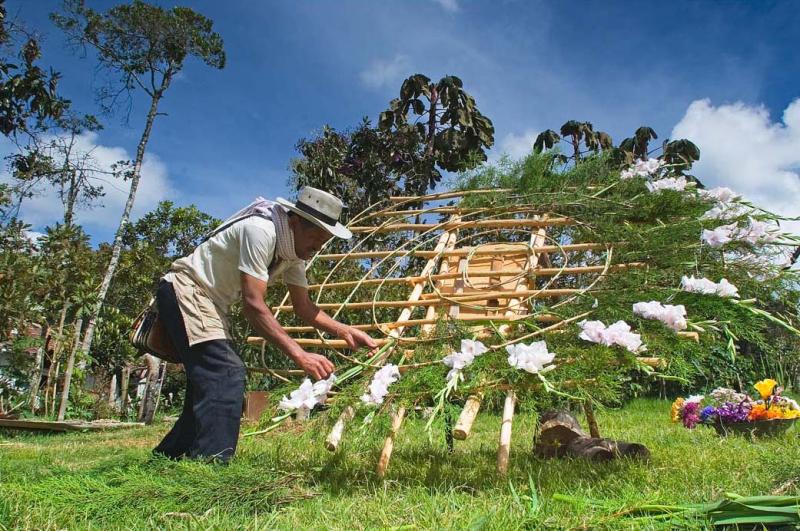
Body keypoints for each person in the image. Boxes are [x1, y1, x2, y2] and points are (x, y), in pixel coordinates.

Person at [152, 186, 377, 462]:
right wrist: (300, 355)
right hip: (188, 289)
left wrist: (345, 331)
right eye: (314, 238)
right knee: (225, 373)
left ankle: (168, 456)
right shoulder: (261, 230)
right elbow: (254, 305)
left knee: (210, 380)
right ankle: (211, 465)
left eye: (322, 243)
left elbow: (303, 307)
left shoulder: (293, 254)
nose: (316, 248)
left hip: (212, 303)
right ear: (294, 222)